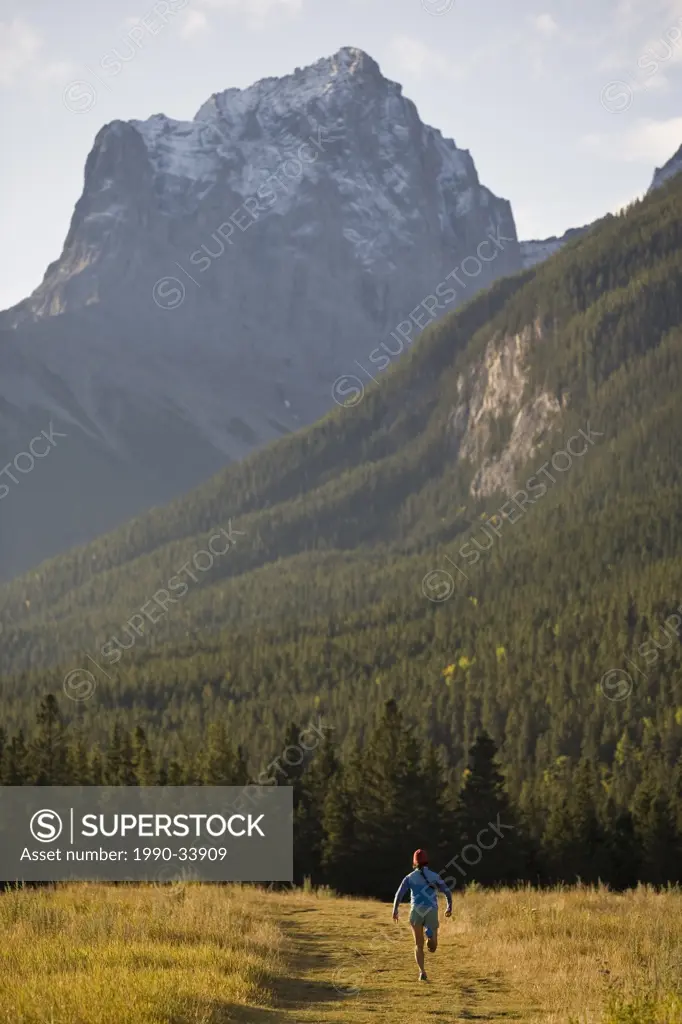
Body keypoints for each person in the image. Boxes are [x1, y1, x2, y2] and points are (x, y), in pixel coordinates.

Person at [392, 848, 452, 982]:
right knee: (433, 947)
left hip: (416, 911)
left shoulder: (409, 877)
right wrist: (449, 907)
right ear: (427, 861)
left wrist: (395, 910)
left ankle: (422, 972)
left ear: (414, 862)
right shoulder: (435, 876)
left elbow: (399, 894)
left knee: (418, 945)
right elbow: (447, 891)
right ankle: (430, 934)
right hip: (431, 910)